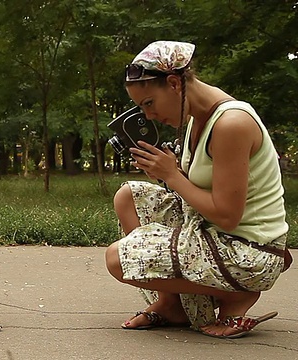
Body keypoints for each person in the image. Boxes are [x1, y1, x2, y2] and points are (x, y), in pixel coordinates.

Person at [104, 40, 290, 339]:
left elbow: (228, 216)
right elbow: (201, 190)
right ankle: (171, 304)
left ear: (175, 83)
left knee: (118, 259)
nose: (149, 115)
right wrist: (166, 171)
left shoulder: (231, 123)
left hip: (248, 250)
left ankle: (238, 295)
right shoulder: (195, 119)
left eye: (149, 103)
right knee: (129, 197)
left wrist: (173, 176)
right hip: (211, 230)